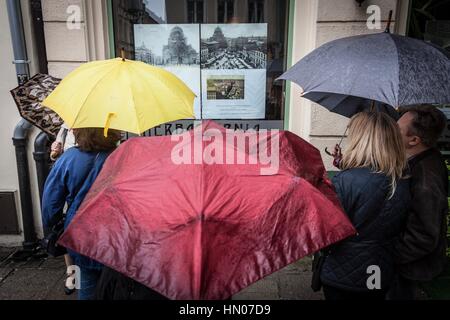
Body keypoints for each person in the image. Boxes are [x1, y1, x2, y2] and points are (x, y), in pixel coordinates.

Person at [319, 111, 411, 300]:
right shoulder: (402, 180)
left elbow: (328, 233)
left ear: (360, 139)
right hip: (380, 269)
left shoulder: (345, 180)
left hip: (342, 272)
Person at [41, 128, 121, 300]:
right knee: (118, 286)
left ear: (79, 133)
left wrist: (56, 223)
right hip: (117, 234)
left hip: (80, 233)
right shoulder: (122, 157)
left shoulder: (68, 159)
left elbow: (50, 205)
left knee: (87, 283)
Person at [388, 105, 449, 300]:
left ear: (414, 140)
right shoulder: (420, 161)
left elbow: (423, 235)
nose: (391, 132)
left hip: (411, 272)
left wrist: (388, 255)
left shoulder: (426, 180)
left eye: (397, 130)